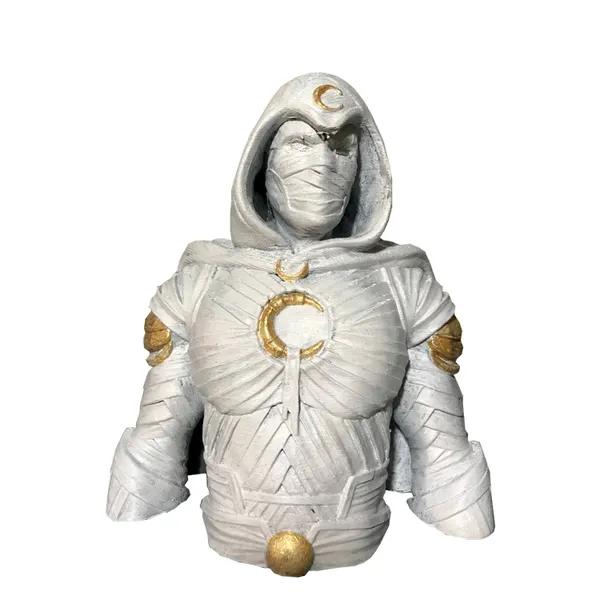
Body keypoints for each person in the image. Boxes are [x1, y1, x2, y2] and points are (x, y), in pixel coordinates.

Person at [107, 73, 495, 576]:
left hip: (365, 553)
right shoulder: (200, 284)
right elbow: (157, 441)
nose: (323, 165)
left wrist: (477, 563)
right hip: (217, 554)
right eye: (300, 142)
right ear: (260, 162)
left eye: (343, 148)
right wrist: (122, 558)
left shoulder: (404, 287)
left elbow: (442, 452)